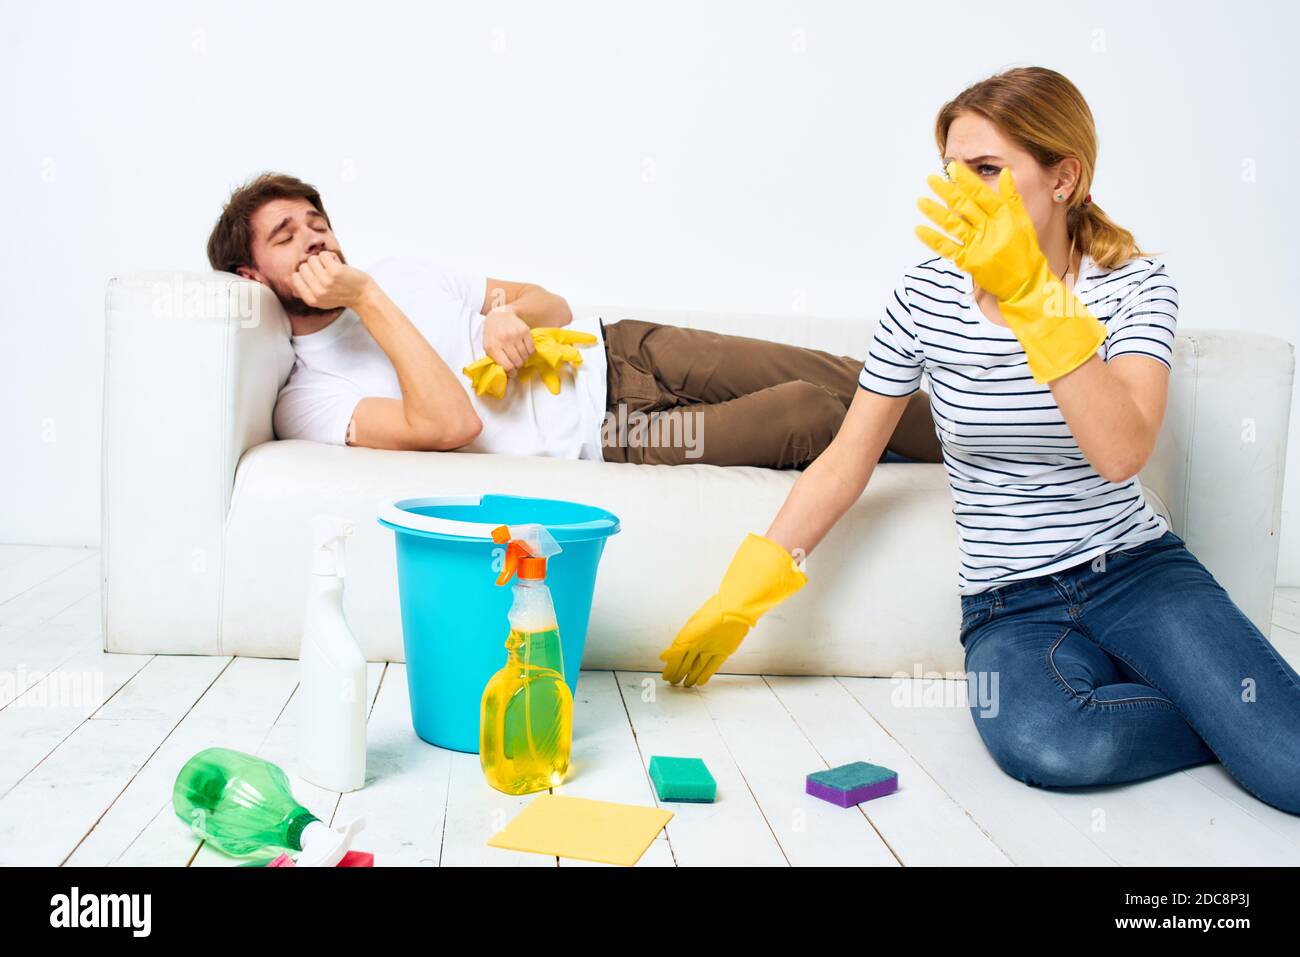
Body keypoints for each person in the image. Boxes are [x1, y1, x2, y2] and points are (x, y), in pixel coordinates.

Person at [659, 66, 1300, 815]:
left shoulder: (1133, 286)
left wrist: (1034, 300)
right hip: (1010, 605)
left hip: (1137, 575)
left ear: (1065, 178)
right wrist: (744, 591)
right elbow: (846, 458)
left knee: (1289, 768)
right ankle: (1224, 717)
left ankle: (1247, 720)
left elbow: (1121, 451)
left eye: (988, 170)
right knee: (1055, 744)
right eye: (951, 173)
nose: (963, 194)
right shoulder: (923, 294)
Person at [204, 174, 942, 468]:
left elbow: (547, 302)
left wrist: (500, 314)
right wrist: (362, 298)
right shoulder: (307, 397)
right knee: (809, 413)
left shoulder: (399, 269)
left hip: (622, 346)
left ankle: (1015, 433)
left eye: (317, 221)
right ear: (253, 278)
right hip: (615, 435)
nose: (315, 239)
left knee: (839, 372)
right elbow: (446, 424)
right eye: (287, 237)